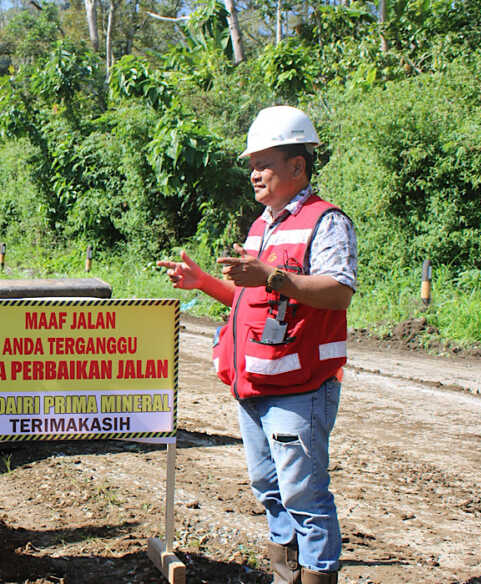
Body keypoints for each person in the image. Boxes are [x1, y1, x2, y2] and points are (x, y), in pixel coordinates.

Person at [159, 106, 356, 584]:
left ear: (297, 166)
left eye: (264, 164)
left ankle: (316, 573)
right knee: (269, 487)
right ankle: (284, 570)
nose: (254, 174)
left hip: (300, 385)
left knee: (303, 495)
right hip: (256, 382)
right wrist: (204, 282)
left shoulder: (325, 222)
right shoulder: (261, 226)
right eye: (252, 164)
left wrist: (271, 274)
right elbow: (252, 300)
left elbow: (339, 289)